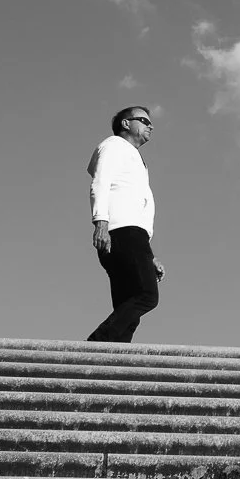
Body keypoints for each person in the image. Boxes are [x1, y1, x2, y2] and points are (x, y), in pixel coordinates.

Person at [86, 105, 165, 343]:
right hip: (121, 231)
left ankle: (110, 358)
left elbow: (134, 205)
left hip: (132, 235)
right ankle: (97, 344)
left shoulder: (135, 158)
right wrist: (100, 222)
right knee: (147, 295)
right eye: (143, 120)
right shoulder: (113, 146)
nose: (150, 125)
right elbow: (100, 182)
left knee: (128, 308)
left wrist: (149, 255)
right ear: (126, 124)